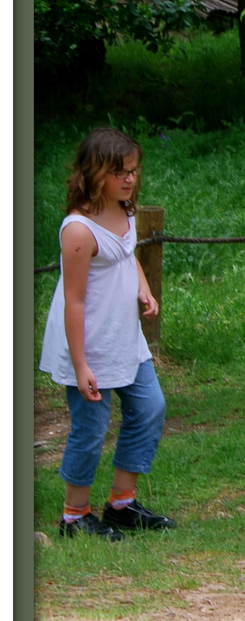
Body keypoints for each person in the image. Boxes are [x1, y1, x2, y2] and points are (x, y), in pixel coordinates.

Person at [38, 127, 175, 541]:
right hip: (89, 344)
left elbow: (126, 254)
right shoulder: (78, 232)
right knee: (91, 428)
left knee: (150, 407)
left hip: (124, 337)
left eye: (133, 170)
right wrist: (81, 366)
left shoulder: (125, 208)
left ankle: (121, 505)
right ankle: (74, 516)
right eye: (120, 172)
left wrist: (143, 286)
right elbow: (74, 302)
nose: (130, 179)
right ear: (94, 173)